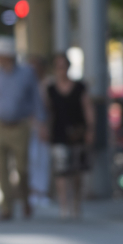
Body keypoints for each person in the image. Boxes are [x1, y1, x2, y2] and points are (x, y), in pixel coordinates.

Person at [0, 37, 45, 221]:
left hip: (20, 127)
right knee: (1, 169)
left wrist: (41, 123)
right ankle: (6, 208)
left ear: (7, 55)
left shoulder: (27, 73)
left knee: (22, 168)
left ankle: (25, 199)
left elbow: (36, 100)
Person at [46, 52, 94, 219]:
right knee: (60, 170)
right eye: (57, 66)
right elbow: (47, 111)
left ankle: (76, 203)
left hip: (77, 131)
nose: (61, 70)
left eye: (63, 66)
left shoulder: (80, 87)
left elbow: (87, 108)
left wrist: (90, 129)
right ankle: (64, 204)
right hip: (58, 132)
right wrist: (44, 128)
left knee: (76, 171)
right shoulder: (50, 89)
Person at [28, 56, 51, 210]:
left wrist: (45, 125)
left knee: (43, 160)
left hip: (44, 125)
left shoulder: (47, 84)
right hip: (29, 125)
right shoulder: (27, 84)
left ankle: (42, 192)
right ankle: (33, 191)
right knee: (31, 160)